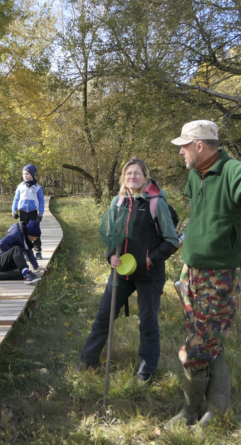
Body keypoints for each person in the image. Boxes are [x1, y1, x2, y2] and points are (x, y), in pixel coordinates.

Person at [164, 120, 241, 428]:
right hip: (192, 274)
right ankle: (206, 411)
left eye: (184, 145)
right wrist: (186, 265)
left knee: (195, 348)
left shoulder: (234, 171)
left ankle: (196, 411)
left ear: (200, 146)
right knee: (208, 341)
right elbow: (198, 218)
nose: (180, 152)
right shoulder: (196, 176)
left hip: (220, 278)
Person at [79, 157, 179, 383]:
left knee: (148, 322)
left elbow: (171, 240)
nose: (132, 177)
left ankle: (146, 371)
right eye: (128, 173)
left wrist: (150, 260)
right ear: (123, 178)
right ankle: (87, 361)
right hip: (121, 272)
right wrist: (110, 256)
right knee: (104, 317)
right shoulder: (118, 201)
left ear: (145, 177)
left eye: (137, 173)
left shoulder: (155, 203)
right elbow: (110, 236)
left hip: (149, 274)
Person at [0, 220, 47, 284]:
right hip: (1, 262)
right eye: (34, 237)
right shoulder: (16, 234)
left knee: (23, 270)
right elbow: (1, 243)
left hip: (10, 265)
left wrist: (36, 266)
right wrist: (13, 257)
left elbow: (29, 252)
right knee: (16, 249)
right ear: (29, 234)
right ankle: (27, 275)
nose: (34, 240)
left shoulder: (26, 239)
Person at [12, 164, 45, 259]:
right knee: (23, 232)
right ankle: (26, 251)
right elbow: (16, 199)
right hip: (22, 213)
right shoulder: (20, 186)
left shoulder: (37, 188)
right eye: (23, 174)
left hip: (33, 213)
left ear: (32, 175)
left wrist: (41, 214)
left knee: (34, 232)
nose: (25, 176)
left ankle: (38, 250)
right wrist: (14, 211)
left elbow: (42, 201)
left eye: (27, 174)